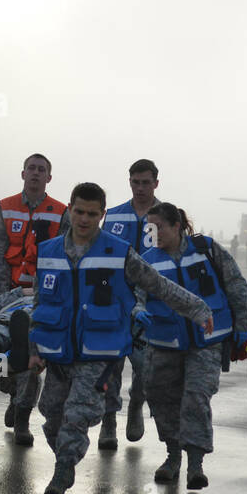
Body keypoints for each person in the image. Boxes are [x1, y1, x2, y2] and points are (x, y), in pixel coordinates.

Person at [26, 183, 213, 494]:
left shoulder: (118, 252)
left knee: (76, 418)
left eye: (92, 214)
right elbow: (41, 303)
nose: (84, 219)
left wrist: (196, 308)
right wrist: (34, 349)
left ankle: (60, 477)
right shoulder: (50, 251)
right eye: (79, 212)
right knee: (52, 416)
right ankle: (64, 460)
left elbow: (157, 284)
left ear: (103, 214)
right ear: (69, 209)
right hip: (57, 353)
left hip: (97, 354)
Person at [139, 203, 247, 490]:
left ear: (176, 226)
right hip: (164, 343)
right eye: (148, 228)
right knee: (161, 398)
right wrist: (136, 311)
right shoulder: (146, 260)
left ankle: (195, 465)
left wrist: (243, 327)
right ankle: (172, 456)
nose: (153, 233)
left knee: (196, 398)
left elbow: (236, 284)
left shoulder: (207, 250)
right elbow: (135, 295)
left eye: (158, 227)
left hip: (206, 342)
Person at [0, 153, 67, 445]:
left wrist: (47, 296)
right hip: (7, 294)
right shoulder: (5, 208)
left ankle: (22, 416)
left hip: (41, 297)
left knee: (30, 354)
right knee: (1, 353)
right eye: (31, 168)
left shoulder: (61, 212)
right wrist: (4, 293)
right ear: (22, 174)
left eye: (41, 169)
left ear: (49, 177)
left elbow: (63, 258)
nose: (35, 173)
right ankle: (9, 391)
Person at [98, 158, 162, 448]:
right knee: (110, 365)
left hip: (151, 306)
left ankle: (137, 403)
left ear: (156, 183)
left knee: (145, 368)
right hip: (116, 302)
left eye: (145, 182)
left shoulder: (166, 217)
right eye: (135, 182)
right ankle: (109, 421)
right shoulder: (113, 216)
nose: (140, 188)